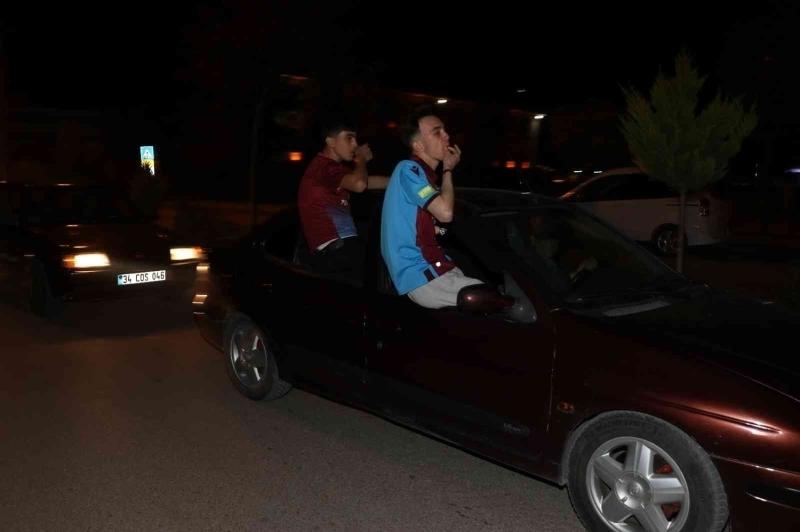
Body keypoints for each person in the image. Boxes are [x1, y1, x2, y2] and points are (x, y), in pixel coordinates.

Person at [381, 106, 483, 309]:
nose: (446, 136)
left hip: (437, 267)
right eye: (437, 132)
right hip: (421, 273)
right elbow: (445, 213)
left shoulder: (425, 179)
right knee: (497, 302)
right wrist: (448, 169)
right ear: (418, 145)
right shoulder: (408, 169)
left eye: (445, 130)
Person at [297, 115, 388, 276]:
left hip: (342, 250)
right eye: (349, 138)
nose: (355, 144)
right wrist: (360, 159)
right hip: (335, 252)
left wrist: (407, 180)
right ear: (331, 141)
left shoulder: (332, 169)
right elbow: (359, 184)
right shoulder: (323, 167)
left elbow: (369, 181)